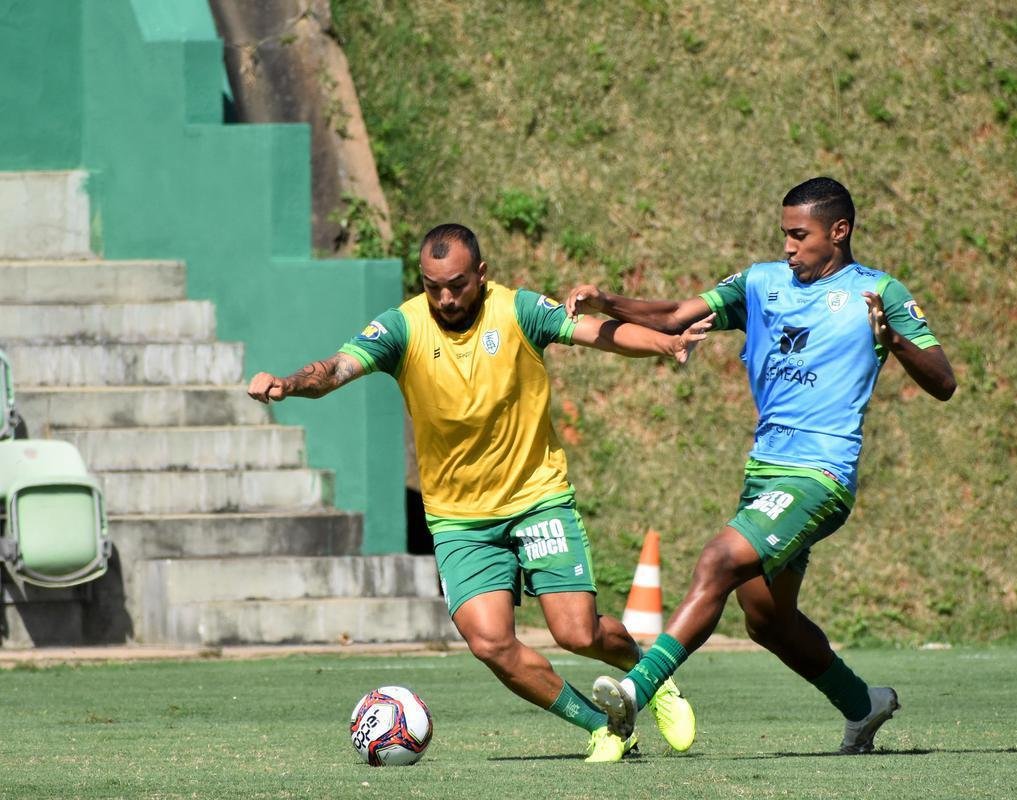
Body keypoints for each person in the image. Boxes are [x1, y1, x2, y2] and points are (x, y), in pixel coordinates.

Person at [248, 223, 703, 763]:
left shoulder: (518, 311)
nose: (444, 297)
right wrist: (290, 384)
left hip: (537, 497)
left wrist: (663, 342)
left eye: (457, 285)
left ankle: (651, 681)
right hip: (459, 519)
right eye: (432, 284)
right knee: (490, 642)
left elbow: (597, 332)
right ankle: (605, 728)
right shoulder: (403, 327)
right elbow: (338, 367)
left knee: (577, 633)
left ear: (481, 275)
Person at [566, 177, 957, 756]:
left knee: (718, 560)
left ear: (839, 232)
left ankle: (636, 688)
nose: (789, 247)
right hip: (765, 473)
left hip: (821, 473)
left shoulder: (879, 293)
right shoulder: (760, 283)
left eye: (800, 235)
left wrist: (892, 339)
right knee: (767, 621)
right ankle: (862, 704)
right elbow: (676, 314)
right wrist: (609, 303)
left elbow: (944, 381)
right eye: (785, 235)